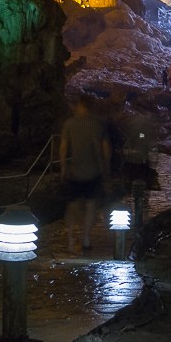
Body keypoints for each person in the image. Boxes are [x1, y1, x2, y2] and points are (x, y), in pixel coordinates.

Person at [59, 96, 111, 254]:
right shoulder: (99, 124)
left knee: (72, 205)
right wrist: (106, 168)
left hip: (73, 172)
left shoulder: (70, 123)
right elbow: (106, 148)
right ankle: (86, 239)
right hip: (93, 172)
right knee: (90, 206)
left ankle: (69, 240)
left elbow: (63, 147)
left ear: (80, 105)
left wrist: (63, 168)